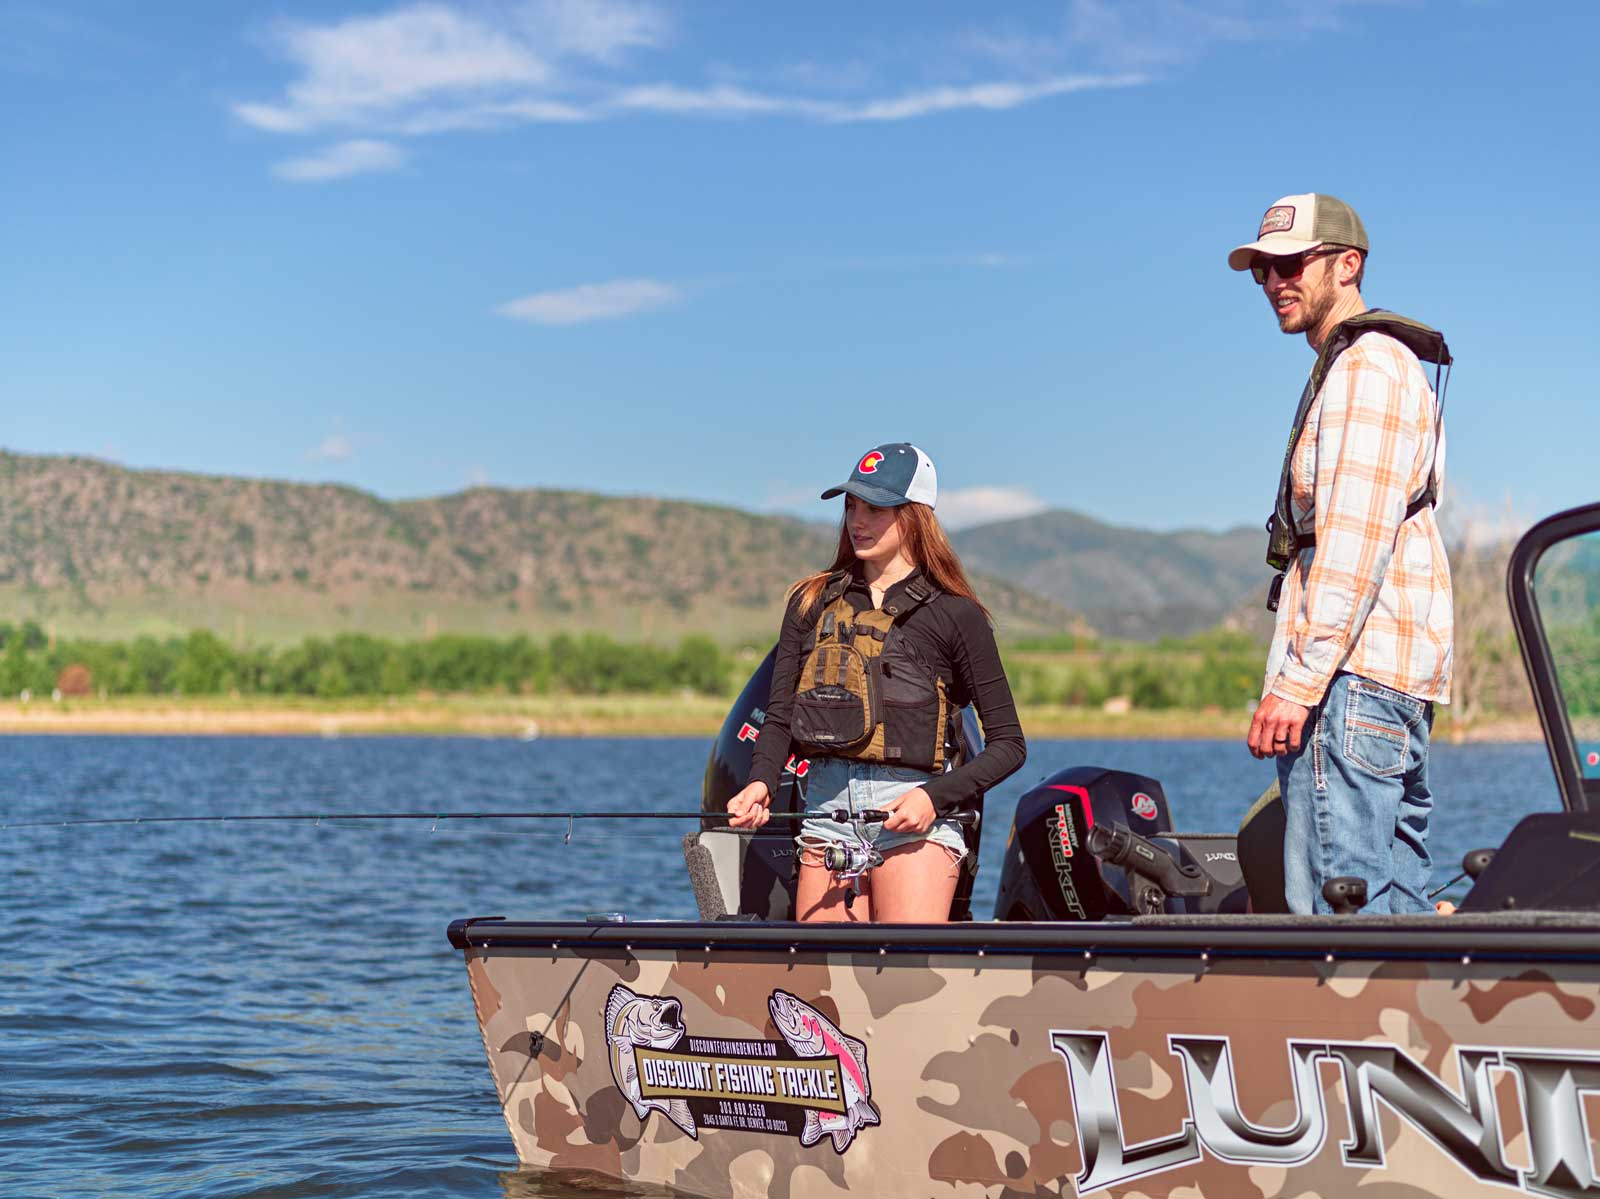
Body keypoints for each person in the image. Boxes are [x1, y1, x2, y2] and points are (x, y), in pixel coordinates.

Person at [1229, 193, 1453, 915]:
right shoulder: (1370, 365)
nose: (1273, 283)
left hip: (1350, 681)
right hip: (1377, 680)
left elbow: (1354, 539)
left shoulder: (1365, 368)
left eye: (1290, 264)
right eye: (1262, 269)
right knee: (1394, 918)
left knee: (1337, 928)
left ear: (1347, 264)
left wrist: (1298, 681)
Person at [726, 443, 1025, 923]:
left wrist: (934, 798)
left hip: (916, 822)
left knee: (903, 986)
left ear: (914, 516)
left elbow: (1009, 744)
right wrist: (760, 782)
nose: (857, 521)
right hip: (826, 816)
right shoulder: (810, 603)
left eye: (874, 508)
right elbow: (780, 715)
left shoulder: (957, 615)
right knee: (821, 993)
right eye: (851, 507)